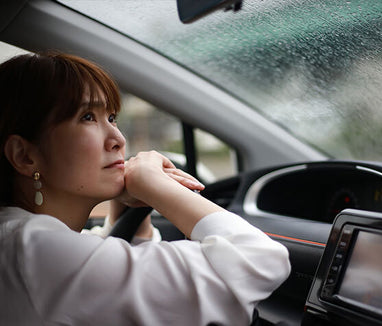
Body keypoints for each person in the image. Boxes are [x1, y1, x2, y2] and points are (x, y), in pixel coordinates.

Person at [0, 52, 290, 325]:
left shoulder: (18, 240)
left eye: (111, 118)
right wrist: (157, 188)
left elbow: (116, 295)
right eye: (87, 117)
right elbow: (260, 261)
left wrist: (130, 224)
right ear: (25, 156)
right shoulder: (35, 253)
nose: (118, 139)